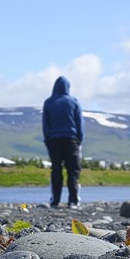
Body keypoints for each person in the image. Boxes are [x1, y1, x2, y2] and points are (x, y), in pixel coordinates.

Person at [42, 76, 83, 208]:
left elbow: (45, 125)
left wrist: (47, 139)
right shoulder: (74, 102)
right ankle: (73, 201)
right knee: (73, 171)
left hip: (53, 140)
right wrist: (79, 140)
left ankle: (55, 201)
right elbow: (79, 124)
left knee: (56, 170)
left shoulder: (48, 103)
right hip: (71, 139)